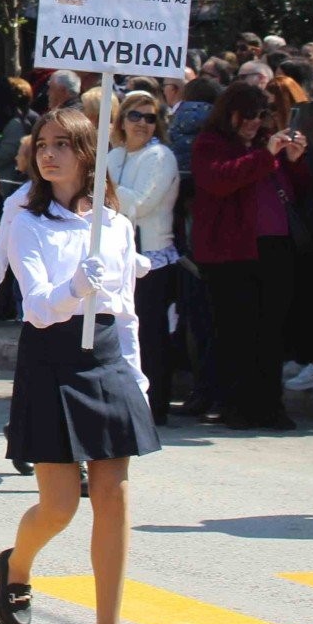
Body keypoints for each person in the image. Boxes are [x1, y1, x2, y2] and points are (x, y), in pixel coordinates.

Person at [0, 107, 160, 624]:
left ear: (88, 153)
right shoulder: (27, 222)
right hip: (53, 356)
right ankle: (15, 565)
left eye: (63, 144)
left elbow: (128, 313)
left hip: (106, 356)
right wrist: (75, 285)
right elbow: (37, 307)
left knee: (113, 493)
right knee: (60, 506)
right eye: (42, 144)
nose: (49, 153)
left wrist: (136, 374)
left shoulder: (116, 226)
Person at [191, 82, 310, 429]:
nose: (254, 123)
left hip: (274, 248)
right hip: (230, 253)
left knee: (271, 332)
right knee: (236, 333)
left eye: (261, 115)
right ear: (230, 113)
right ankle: (238, 407)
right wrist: (266, 156)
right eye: (247, 116)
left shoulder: (265, 146)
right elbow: (220, 180)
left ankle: (270, 406)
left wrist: (295, 161)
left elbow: (298, 190)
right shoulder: (210, 144)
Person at [110, 91, 179, 426]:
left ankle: (155, 406)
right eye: (135, 116)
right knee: (121, 335)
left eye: (150, 118)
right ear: (121, 119)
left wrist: (104, 187)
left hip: (152, 259)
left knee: (150, 336)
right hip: (117, 259)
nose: (141, 124)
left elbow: (141, 204)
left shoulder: (161, 156)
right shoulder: (114, 156)